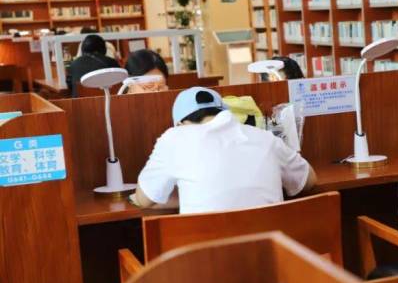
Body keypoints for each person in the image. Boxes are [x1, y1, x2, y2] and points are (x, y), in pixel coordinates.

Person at [131, 87, 316, 214]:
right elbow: (308, 180)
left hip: (205, 258)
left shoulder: (173, 138)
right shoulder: (265, 137)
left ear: (180, 123)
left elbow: (144, 199)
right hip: (272, 255)